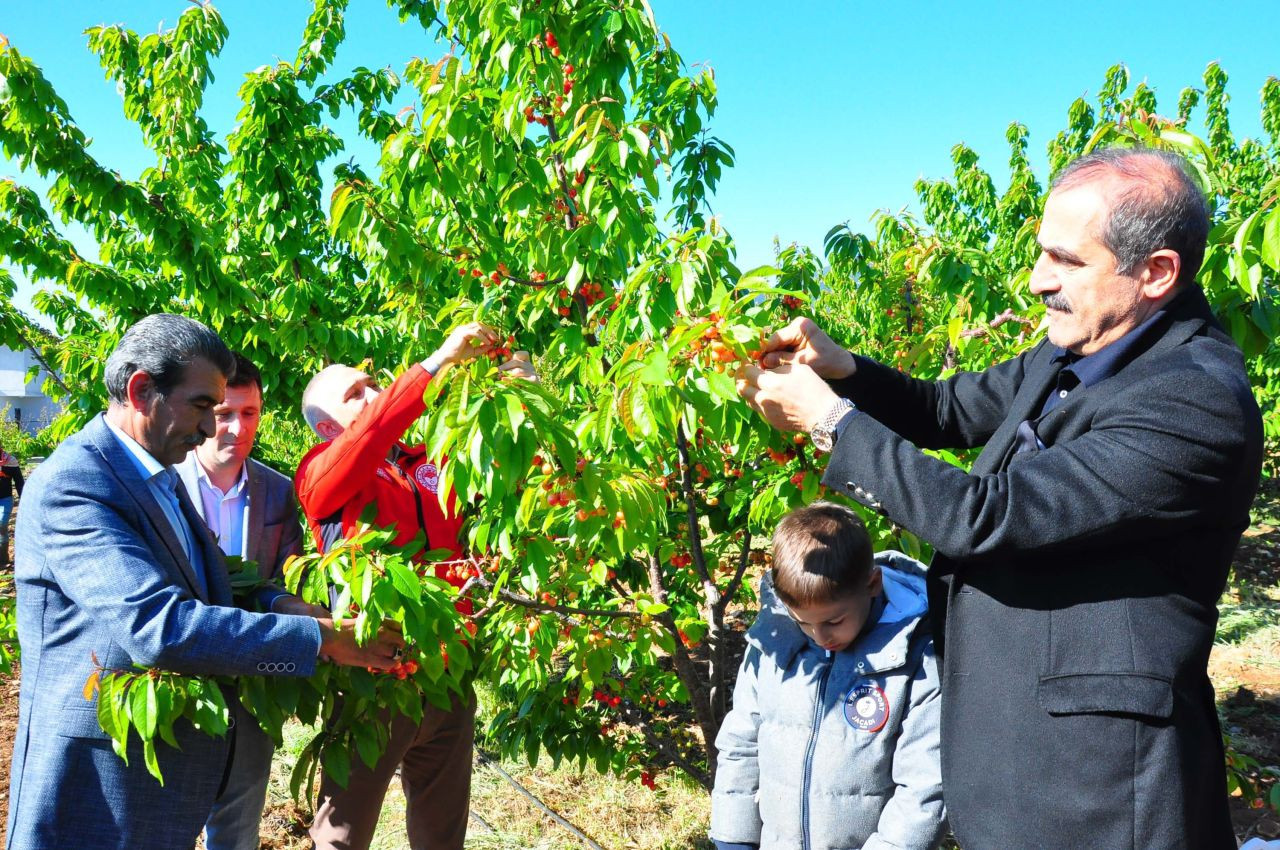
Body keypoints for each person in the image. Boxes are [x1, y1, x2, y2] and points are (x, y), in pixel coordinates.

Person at [736, 147, 1264, 849]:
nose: (1038, 281)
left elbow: (986, 515)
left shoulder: (1192, 400)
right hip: (1016, 756)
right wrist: (845, 371)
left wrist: (830, 421)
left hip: (1098, 791)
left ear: (1156, 273)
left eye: (1067, 261)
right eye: (1041, 254)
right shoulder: (1077, 348)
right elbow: (944, 409)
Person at [5, 314, 404, 850]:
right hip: (97, 777)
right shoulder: (78, 484)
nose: (212, 428)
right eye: (201, 407)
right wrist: (322, 641)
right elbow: (160, 626)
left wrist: (294, 607)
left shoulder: (156, 475)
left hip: (158, 766)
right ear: (142, 389)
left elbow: (223, 579)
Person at [297, 322, 534, 850]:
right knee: (341, 835)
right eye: (355, 394)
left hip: (447, 671)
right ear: (328, 430)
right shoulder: (320, 472)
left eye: (372, 384)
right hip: (374, 677)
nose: (375, 394)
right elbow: (374, 431)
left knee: (443, 832)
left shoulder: (430, 460)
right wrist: (436, 362)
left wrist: (522, 400)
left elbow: (516, 486)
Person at [710, 502, 945, 850]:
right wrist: (734, 838)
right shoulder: (772, 644)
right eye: (803, 621)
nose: (820, 637)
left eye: (833, 621)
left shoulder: (918, 660)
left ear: (873, 585)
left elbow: (925, 788)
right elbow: (741, 742)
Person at [176, 352, 320, 850]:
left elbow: (280, 579)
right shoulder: (162, 484)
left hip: (254, 679)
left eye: (250, 413)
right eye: (223, 414)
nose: (238, 427)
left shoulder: (279, 493)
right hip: (176, 675)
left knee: (238, 820)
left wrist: (301, 612)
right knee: (165, 815)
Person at [0, 439, 22, 569]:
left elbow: (19, 482)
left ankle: (3, 558)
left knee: (1, 524)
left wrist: (24, 501)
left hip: (5, 499)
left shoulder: (10, 461)